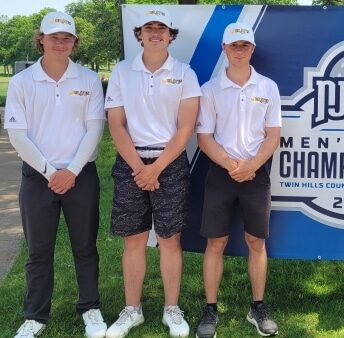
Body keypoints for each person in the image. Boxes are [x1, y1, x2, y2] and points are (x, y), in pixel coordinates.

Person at [4, 11, 107, 338]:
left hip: (81, 177)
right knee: (38, 251)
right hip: (38, 178)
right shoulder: (22, 82)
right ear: (41, 40)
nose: (60, 43)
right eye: (54, 37)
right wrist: (52, 172)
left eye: (67, 38)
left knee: (85, 247)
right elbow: (17, 134)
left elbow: (95, 129)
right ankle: (35, 316)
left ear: (74, 42)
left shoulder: (89, 80)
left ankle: (90, 308)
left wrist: (72, 171)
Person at [103, 6, 201, 338]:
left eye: (161, 28)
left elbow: (186, 128)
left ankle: (171, 309)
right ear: (139, 35)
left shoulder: (185, 73)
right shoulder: (121, 71)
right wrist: (139, 168)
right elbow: (116, 124)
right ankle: (132, 310)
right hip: (131, 163)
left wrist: (155, 168)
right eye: (149, 28)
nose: (155, 33)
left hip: (169, 164)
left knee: (170, 238)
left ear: (171, 35)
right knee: (133, 240)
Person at [195, 22, 281, 338]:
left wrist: (252, 165)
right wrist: (231, 165)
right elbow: (204, 137)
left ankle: (257, 307)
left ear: (253, 49)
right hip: (220, 173)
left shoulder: (268, 88)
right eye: (234, 45)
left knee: (256, 241)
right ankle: (210, 309)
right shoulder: (210, 89)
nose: (240, 51)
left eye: (245, 45)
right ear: (224, 49)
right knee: (215, 241)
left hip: (256, 174)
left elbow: (273, 135)